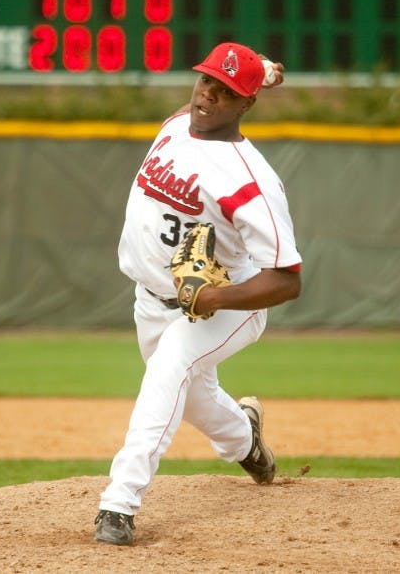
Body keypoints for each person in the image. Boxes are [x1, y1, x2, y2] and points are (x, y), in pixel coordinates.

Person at [94, 42, 303, 546]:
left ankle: (118, 504)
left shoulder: (252, 182)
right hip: (152, 299)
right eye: (205, 80)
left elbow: (288, 279)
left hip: (225, 304)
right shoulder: (175, 124)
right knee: (192, 400)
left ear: (245, 105)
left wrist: (215, 301)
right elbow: (228, 88)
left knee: (168, 373)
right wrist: (266, 73)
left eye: (226, 90)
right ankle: (246, 441)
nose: (208, 95)